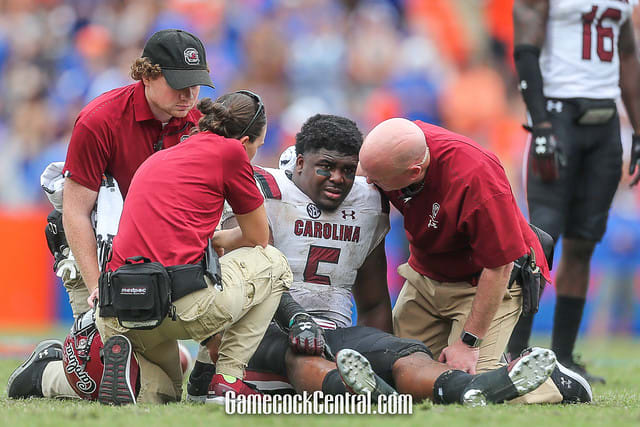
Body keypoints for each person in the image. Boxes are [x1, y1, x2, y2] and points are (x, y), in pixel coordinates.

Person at [187, 114, 560, 406]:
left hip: (478, 281)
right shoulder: (262, 191)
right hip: (265, 324)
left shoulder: (374, 195)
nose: (341, 179)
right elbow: (239, 274)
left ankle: (470, 389)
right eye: (326, 167)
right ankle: (370, 396)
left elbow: (375, 300)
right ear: (298, 163)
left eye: (349, 171)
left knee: (400, 354)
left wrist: (461, 342)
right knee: (303, 353)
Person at [7, 28, 215, 401]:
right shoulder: (100, 119)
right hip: (95, 245)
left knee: (156, 387)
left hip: (157, 255)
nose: (189, 95)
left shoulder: (199, 124)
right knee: (107, 376)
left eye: (196, 84)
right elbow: (75, 212)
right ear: (148, 74)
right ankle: (44, 375)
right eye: (179, 84)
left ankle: (175, 360)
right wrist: (98, 287)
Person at [358, 117, 592, 404]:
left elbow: (499, 266)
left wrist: (468, 342)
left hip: (484, 280)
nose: (367, 181)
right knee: (403, 377)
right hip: (426, 275)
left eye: (376, 178)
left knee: (474, 390)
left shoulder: (476, 177)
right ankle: (499, 366)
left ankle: (555, 382)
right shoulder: (396, 146)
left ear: (414, 171)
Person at [94, 90, 292, 405]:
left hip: (120, 308)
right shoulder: (231, 153)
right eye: (258, 145)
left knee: (166, 393)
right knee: (274, 262)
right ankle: (228, 379)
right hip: (180, 306)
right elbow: (258, 237)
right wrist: (219, 239)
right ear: (243, 143)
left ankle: (130, 374)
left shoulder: (161, 155)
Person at [507, 0, 640, 385]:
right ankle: (515, 352)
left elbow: (627, 55)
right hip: (557, 114)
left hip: (604, 120)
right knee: (541, 239)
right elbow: (525, 50)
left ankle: (564, 356)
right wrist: (541, 123)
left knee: (584, 241)